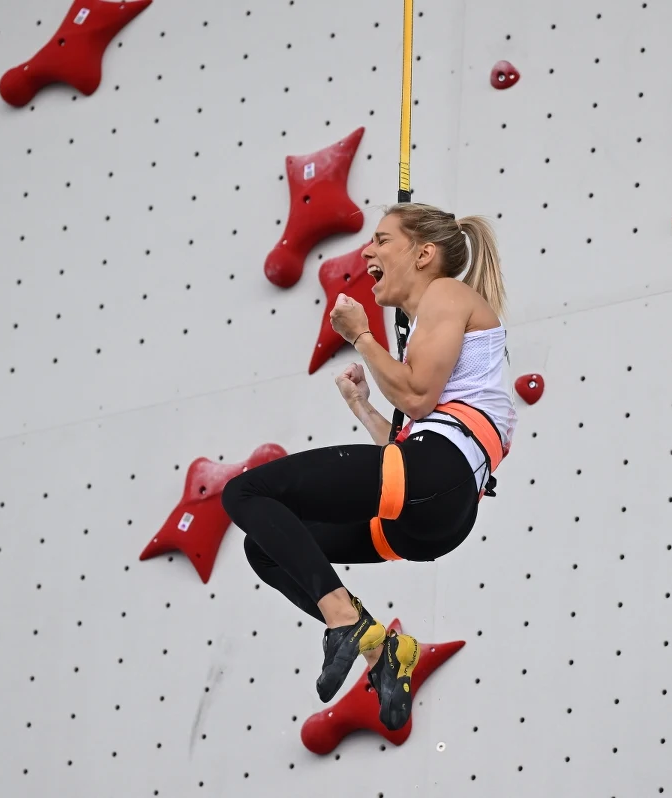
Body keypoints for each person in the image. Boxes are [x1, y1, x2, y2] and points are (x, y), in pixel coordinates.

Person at [221, 202, 516, 731]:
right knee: (263, 547)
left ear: (424, 254)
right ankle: (383, 653)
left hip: (438, 477)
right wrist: (364, 408)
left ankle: (344, 621)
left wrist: (361, 334)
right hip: (435, 510)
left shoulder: (447, 294)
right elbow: (408, 448)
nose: (368, 251)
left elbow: (420, 396)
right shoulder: (436, 317)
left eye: (382, 240)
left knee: (244, 494)